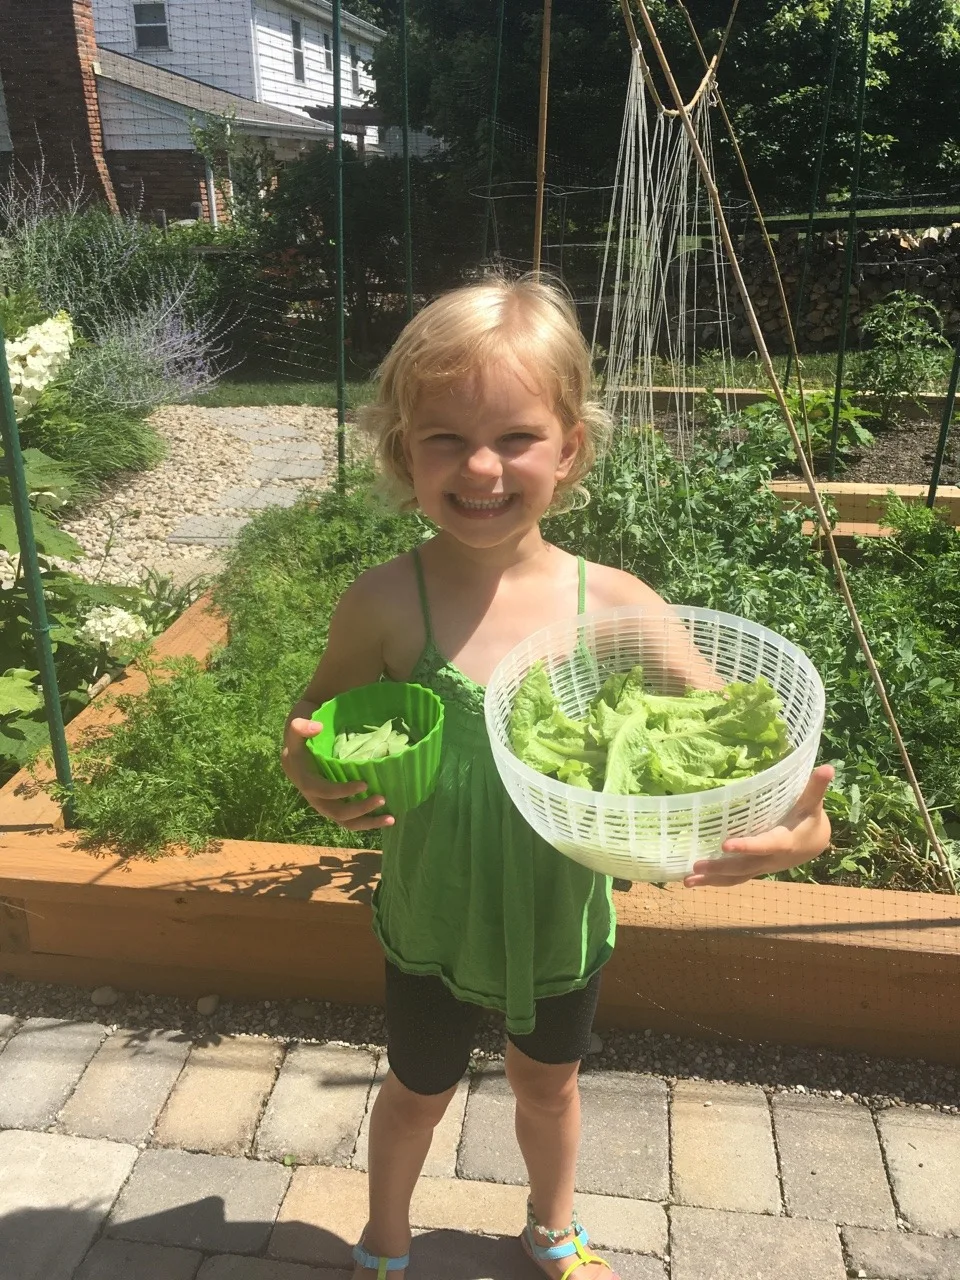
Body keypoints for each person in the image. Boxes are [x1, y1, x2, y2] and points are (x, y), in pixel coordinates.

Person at [281, 277, 833, 1279]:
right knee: (415, 1090)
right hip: (432, 914)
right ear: (404, 451)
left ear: (571, 446)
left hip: (560, 921)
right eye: (443, 436)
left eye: (517, 436)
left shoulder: (614, 607)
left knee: (550, 1088)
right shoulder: (382, 605)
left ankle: (550, 1224)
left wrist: (799, 829)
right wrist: (312, 770)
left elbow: (746, 744)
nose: (481, 464)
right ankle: (386, 1236)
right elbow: (313, 723)